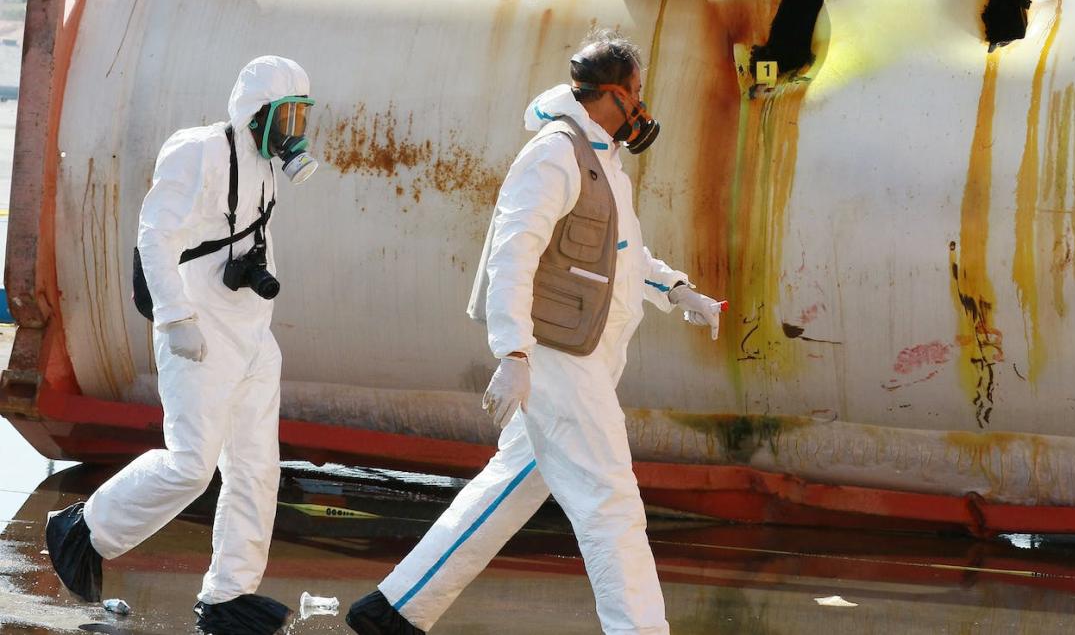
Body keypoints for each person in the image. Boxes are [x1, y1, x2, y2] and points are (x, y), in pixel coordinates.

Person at [346, 31, 724, 635]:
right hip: (556, 357)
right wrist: (513, 352)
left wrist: (678, 292)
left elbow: (624, 254)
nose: (643, 108)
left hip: (585, 355)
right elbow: (512, 254)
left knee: (511, 486)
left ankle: (394, 610)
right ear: (608, 94)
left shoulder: (603, 157)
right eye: (637, 93)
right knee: (612, 502)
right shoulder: (555, 155)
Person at [45, 56, 320, 634]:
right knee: (192, 464)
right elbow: (155, 234)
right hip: (199, 325)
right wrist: (174, 319)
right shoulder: (199, 151)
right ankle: (83, 528)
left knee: (255, 467)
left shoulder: (266, 164)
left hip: (251, 333)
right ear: (255, 114)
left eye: (302, 114)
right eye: (286, 114)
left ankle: (230, 594)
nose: (295, 128)